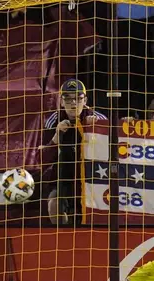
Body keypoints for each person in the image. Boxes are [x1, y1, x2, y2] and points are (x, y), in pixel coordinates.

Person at [41, 78, 107, 225]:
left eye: (78, 98)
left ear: (85, 100)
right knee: (54, 205)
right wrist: (56, 137)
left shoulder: (98, 119)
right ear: (61, 102)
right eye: (68, 99)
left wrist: (96, 130)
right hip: (64, 175)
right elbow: (43, 158)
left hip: (92, 177)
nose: (73, 103)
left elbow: (110, 154)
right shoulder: (54, 120)